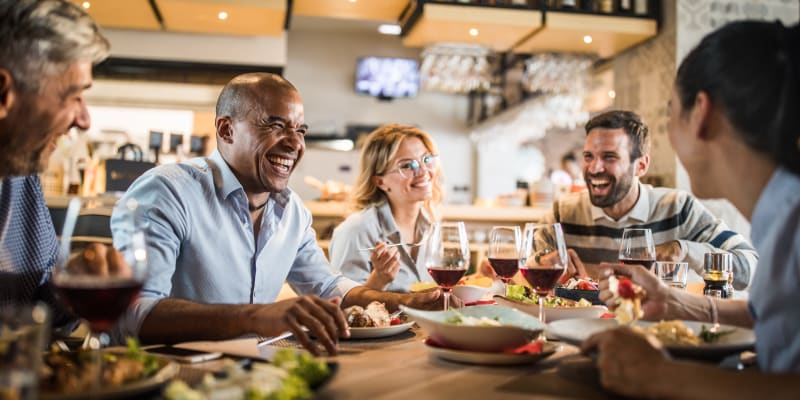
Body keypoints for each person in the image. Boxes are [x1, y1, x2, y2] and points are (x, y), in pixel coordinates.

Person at [111, 73, 442, 355]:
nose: (293, 143)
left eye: (299, 130)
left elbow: (328, 287)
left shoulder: (291, 210)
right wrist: (258, 317)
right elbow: (134, 313)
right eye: (275, 125)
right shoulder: (168, 191)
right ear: (226, 130)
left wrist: (403, 301)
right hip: (167, 375)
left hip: (247, 374)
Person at [582, 20, 800, 398]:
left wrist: (660, 376)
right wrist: (675, 302)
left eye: (670, 115)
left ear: (701, 113)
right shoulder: (780, 213)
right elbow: (781, 318)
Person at [543, 110, 757, 288]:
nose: (594, 168)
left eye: (610, 157)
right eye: (588, 156)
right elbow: (531, 261)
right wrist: (545, 264)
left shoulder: (679, 209)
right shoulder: (563, 213)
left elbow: (750, 266)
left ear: (641, 166)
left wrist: (684, 249)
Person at [0, 0, 111, 331]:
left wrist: (72, 288)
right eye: (73, 96)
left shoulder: (22, 175)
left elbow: (40, 308)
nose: (84, 119)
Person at [328, 124, 443, 292]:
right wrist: (379, 281)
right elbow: (343, 307)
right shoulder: (356, 230)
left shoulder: (431, 226)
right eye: (407, 166)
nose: (424, 171)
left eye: (426, 159)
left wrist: (476, 278)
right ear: (380, 182)